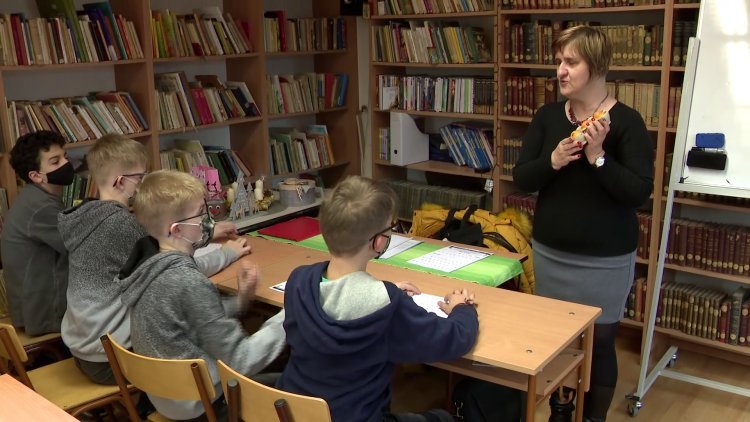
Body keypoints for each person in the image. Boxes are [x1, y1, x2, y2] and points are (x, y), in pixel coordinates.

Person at [512, 26, 654, 422]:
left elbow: (638, 193)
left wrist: (598, 157)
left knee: (600, 343)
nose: (560, 70)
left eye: (571, 62)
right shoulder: (547, 117)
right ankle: (560, 411)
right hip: (552, 253)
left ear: (596, 66)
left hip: (605, 260)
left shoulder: (627, 122)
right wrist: (552, 161)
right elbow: (522, 178)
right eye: (559, 61)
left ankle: (592, 418)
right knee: (555, 339)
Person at [276, 175, 479, 422]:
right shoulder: (386, 306)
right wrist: (462, 309)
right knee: (444, 418)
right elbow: (455, 339)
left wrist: (383, 290)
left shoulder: (298, 281)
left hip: (293, 414)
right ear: (379, 241)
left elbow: (341, 299)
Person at [58, 134, 250, 385]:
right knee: (201, 328)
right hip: (112, 358)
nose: (143, 186)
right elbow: (177, 270)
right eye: (140, 178)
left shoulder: (88, 216)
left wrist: (207, 232)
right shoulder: (122, 225)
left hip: (83, 347)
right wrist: (228, 254)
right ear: (121, 181)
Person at [120, 170, 285, 420]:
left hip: (165, 396)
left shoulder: (150, 269)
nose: (207, 221)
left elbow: (195, 318)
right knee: (296, 381)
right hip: (204, 404)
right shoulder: (188, 280)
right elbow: (241, 359)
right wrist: (290, 315)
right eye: (200, 213)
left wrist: (241, 300)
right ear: (177, 230)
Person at [1, 131, 73, 335]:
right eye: (55, 161)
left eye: (65, 156)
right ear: (35, 176)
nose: (66, 163)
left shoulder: (34, 197)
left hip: (31, 308)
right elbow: (78, 247)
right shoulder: (41, 207)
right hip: (43, 315)